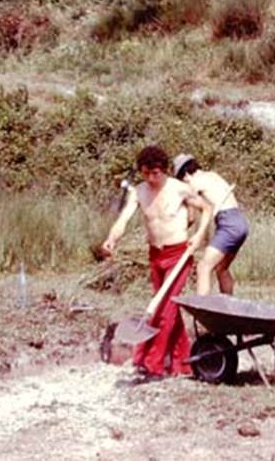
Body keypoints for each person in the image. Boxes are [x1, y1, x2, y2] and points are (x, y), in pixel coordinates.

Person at [100, 145, 212, 378]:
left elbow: (207, 209)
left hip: (179, 255)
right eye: (146, 173)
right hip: (155, 255)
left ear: (164, 170)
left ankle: (152, 363)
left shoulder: (179, 189)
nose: (152, 178)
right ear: (141, 171)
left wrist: (199, 236)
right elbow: (124, 219)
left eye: (156, 173)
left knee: (165, 310)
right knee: (166, 308)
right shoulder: (139, 192)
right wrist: (111, 239)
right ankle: (183, 362)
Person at [172, 154, 250, 296]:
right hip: (240, 222)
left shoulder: (193, 183)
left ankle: (201, 314)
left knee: (203, 267)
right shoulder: (212, 175)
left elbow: (190, 218)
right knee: (221, 268)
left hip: (228, 224)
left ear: (185, 174)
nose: (183, 181)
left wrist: (178, 232)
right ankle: (228, 311)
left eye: (181, 178)